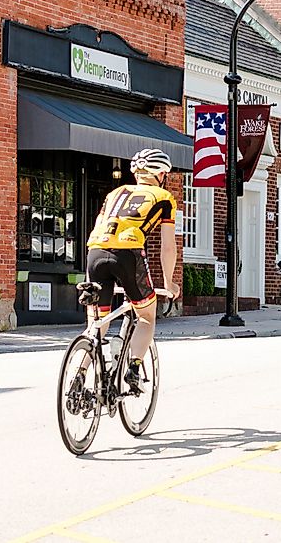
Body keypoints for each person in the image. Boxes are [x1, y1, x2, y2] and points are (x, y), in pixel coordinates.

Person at [84, 149, 180, 392]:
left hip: (95, 252)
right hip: (128, 253)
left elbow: (100, 226)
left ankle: (80, 375)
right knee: (147, 316)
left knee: (97, 323)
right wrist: (168, 283)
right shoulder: (164, 197)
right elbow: (168, 247)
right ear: (160, 174)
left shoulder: (114, 194)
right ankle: (134, 368)